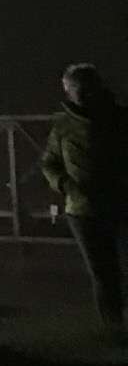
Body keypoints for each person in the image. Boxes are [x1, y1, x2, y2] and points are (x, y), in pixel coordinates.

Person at [41, 62, 128, 332]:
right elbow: (50, 162)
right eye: (75, 88)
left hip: (120, 204)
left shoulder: (119, 118)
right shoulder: (63, 125)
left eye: (84, 87)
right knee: (103, 274)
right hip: (82, 209)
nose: (80, 93)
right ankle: (113, 328)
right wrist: (65, 184)